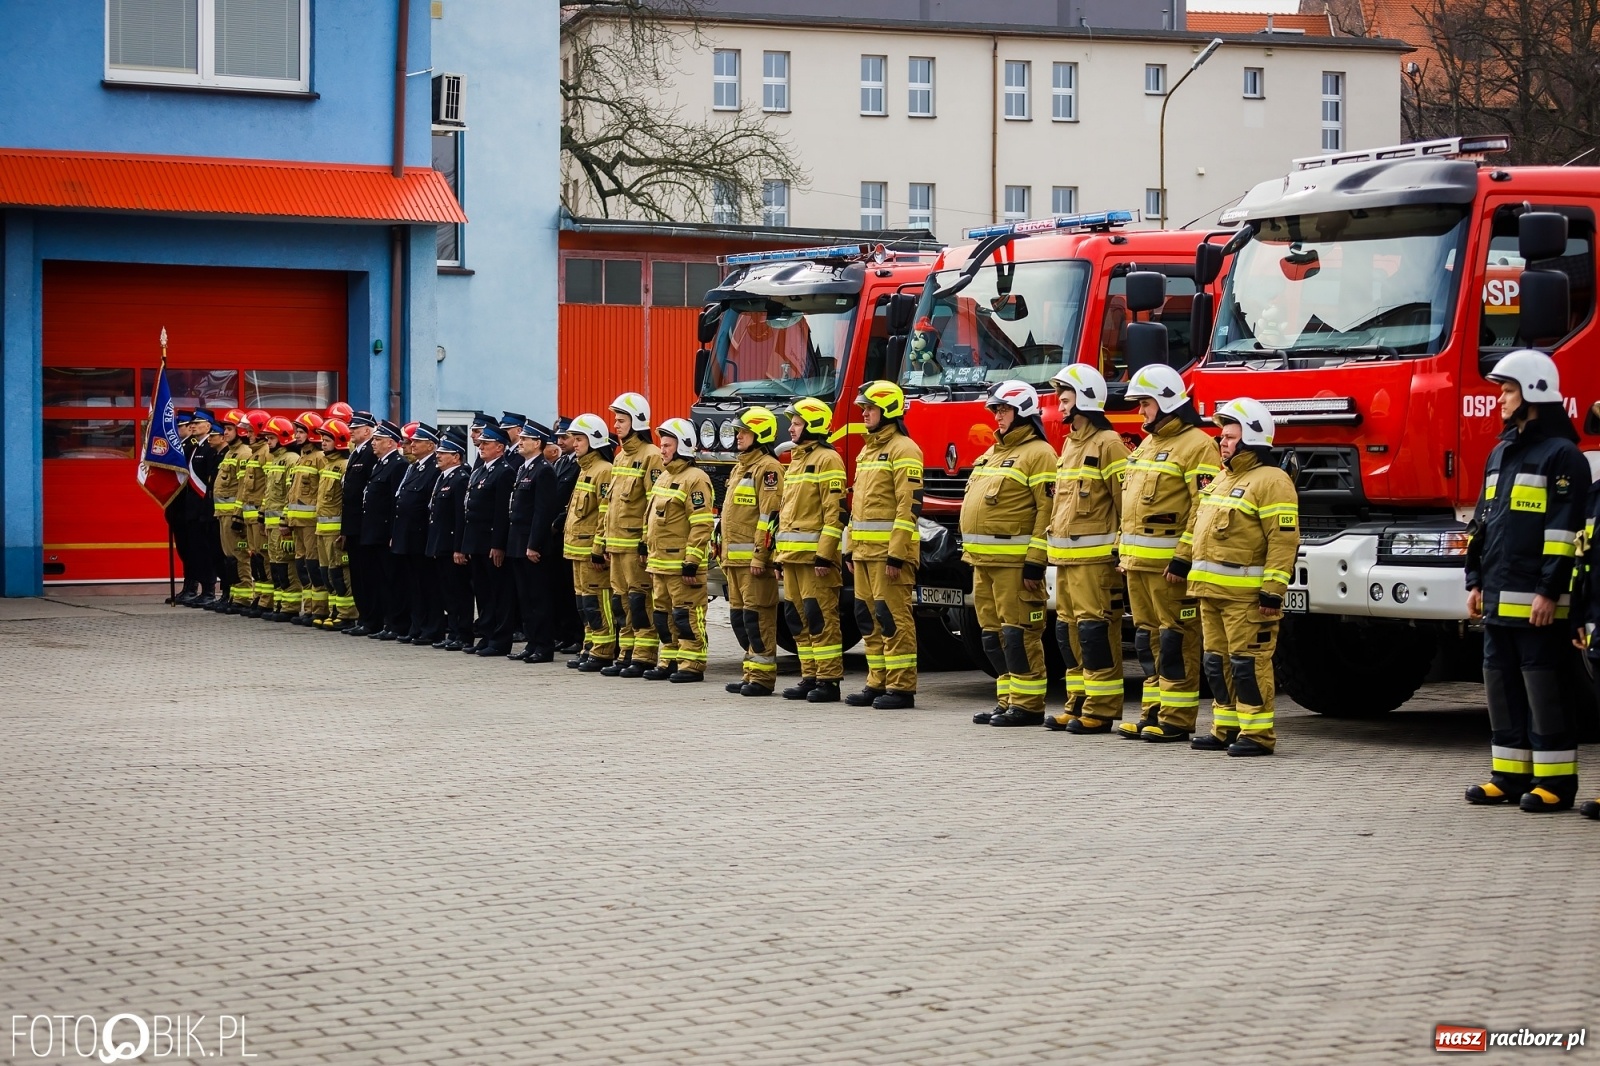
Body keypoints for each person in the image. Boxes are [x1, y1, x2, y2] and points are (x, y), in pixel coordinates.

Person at [1464, 350, 1590, 810]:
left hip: (1538, 604)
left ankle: (1555, 784)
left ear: (1534, 392)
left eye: (1507, 390)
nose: (1499, 398)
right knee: (1500, 686)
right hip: (1497, 599)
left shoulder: (1563, 457)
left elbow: (1563, 534)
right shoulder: (1501, 453)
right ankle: (1509, 776)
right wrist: (1474, 581)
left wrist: (1548, 591)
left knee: (1544, 690)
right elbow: (1483, 524)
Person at [1186, 399, 1300, 757]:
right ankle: (1225, 728)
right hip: (1211, 592)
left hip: (1246, 598)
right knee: (1216, 663)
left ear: (1252, 438)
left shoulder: (1273, 481)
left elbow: (1283, 541)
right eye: (1222, 436)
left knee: (1248, 664)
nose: (1222, 442)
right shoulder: (1223, 478)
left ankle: (1257, 734)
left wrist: (1272, 592)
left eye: (1230, 437)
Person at [1117, 364, 1220, 740]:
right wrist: (1122, 552)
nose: (1140, 411)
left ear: (1166, 401)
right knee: (1147, 640)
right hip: (1138, 565)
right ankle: (1153, 713)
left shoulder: (1198, 446)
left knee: (1177, 639)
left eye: (1145, 403)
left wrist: (1183, 556)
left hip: (1169, 568)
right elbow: (1130, 505)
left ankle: (1176, 718)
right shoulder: (1147, 444)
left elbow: (1203, 507)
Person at [962, 381, 1058, 726]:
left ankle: (1028, 704)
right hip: (983, 563)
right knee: (993, 636)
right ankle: (1007, 700)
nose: (997, 416)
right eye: (996, 410)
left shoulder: (1040, 454)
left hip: (1015, 565)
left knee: (1019, 635)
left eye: (1003, 409)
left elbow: (1047, 511)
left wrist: (1035, 561)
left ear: (1023, 411)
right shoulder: (993, 452)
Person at [1043, 363, 1132, 734]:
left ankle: (1101, 708)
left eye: (1066, 400)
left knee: (1096, 633)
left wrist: (1122, 549)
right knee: (1068, 633)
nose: (1061, 406)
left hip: (1095, 563)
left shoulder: (1109, 444)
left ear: (1085, 399)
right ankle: (1077, 703)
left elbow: (1125, 502)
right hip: (1065, 561)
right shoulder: (1070, 444)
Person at [843, 381, 925, 710]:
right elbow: (858, 507)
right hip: (864, 553)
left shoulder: (905, 449)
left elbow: (909, 506)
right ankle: (877, 681)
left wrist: (897, 554)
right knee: (867, 618)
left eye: (870, 408)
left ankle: (901, 687)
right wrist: (849, 547)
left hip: (889, 556)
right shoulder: (867, 451)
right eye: (863, 408)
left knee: (893, 618)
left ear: (888, 410)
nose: (864, 414)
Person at [774, 396, 848, 703]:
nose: (791, 428)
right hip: (792, 558)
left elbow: (835, 512)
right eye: (792, 423)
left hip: (815, 560)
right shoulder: (796, 460)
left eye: (796, 423)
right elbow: (786, 513)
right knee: (796, 618)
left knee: (820, 618)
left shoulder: (828, 460)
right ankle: (810, 676)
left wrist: (825, 554)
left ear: (813, 425)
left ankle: (828, 680)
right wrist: (778, 557)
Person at [643, 418, 716, 682]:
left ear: (683, 446)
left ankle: (692, 664)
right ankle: (669, 660)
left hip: (682, 566)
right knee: (663, 617)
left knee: (686, 616)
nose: (661, 450)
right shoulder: (664, 477)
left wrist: (692, 561)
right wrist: (644, 545)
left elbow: (701, 524)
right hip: (660, 563)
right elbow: (650, 517)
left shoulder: (696, 479)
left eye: (667, 445)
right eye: (661, 445)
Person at [720, 406, 785, 697]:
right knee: (740, 620)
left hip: (753, 562)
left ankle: (762, 678)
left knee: (757, 620)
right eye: (738, 432)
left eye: (744, 432)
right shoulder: (740, 467)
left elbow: (770, 517)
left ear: (760, 434)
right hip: (734, 562)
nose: (738, 436)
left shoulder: (768, 468)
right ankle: (750, 673)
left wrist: (761, 555)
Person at [599, 392, 665, 678]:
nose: (616, 425)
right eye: (615, 420)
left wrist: (645, 543)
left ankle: (644, 655)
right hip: (615, 545)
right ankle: (626, 652)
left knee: (640, 602)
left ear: (637, 421)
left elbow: (654, 502)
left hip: (634, 545)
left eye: (621, 420)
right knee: (620, 602)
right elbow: (610, 504)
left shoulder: (651, 456)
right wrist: (603, 540)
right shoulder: (620, 457)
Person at [562, 414, 617, 672]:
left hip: (590, 552)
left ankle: (603, 650)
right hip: (577, 550)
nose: (574, 444)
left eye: (579, 439)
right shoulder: (585, 468)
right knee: (583, 604)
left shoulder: (603, 470)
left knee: (597, 602)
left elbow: (605, 512)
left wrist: (598, 547)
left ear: (594, 440)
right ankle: (590, 646)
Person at [506, 418, 560, 663]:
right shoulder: (524, 468)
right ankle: (531, 642)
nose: (520, 442)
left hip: (532, 544)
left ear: (537, 443)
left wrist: (534, 544)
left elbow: (543, 511)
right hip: (518, 542)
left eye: (525, 439)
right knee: (524, 598)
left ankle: (543, 646)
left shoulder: (544, 470)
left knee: (538, 598)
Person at [461, 420, 517, 657]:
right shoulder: (480, 470)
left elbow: (502, 513)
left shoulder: (504, 472)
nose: (481, 446)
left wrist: (498, 544)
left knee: (499, 593)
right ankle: (486, 634)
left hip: (491, 543)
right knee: (483, 593)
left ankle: (500, 640)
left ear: (500, 447)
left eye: (487, 443)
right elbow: (469, 509)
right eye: (481, 443)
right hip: (476, 542)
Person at [392, 422, 442, 645]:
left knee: (428, 585)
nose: (412, 445)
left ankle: (431, 629)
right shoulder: (414, 467)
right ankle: (417, 626)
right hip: (408, 535)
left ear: (431, 445)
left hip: (422, 535)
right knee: (414, 585)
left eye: (417, 442)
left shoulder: (434, 468)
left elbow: (429, 505)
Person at [359, 420, 407, 640]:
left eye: (378, 439)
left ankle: (395, 624)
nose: (373, 443)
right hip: (373, 532)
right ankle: (384, 622)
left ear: (390, 443)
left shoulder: (398, 465)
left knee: (392, 581)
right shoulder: (380, 464)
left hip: (385, 533)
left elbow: (395, 503)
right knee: (378, 580)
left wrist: (392, 533)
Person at [428, 432, 474, 650]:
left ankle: (463, 634)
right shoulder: (444, 477)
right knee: (448, 592)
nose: (438, 456)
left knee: (459, 593)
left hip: (452, 546)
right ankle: (454, 632)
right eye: (438, 452)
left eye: (443, 453)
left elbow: (460, 517)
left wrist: (459, 548)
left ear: (456, 457)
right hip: (440, 544)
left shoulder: (460, 478)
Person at [313, 419, 357, 631]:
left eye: (327, 439)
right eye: (322, 439)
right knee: (327, 573)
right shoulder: (326, 464)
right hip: (322, 530)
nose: (323, 442)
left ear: (339, 441)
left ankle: (347, 614)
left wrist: (344, 530)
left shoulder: (344, 466)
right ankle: (334, 610)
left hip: (336, 532)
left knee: (340, 573)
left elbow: (348, 502)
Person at [285, 412, 327, 626]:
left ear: (312, 434)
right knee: (302, 566)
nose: (297, 435)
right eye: (297, 431)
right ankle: (309, 608)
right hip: (297, 523)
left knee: (313, 566)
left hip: (311, 523)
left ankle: (319, 610)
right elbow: (292, 492)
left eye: (301, 432)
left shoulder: (320, 458)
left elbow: (322, 492)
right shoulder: (301, 457)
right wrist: (286, 518)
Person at [258, 416, 301, 620]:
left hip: (282, 525)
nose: (268, 442)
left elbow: (290, 494)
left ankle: (290, 607)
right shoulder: (275, 460)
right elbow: (269, 494)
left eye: (271, 438)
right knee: (275, 564)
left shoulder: (291, 459)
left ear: (282, 438)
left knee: (286, 565)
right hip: (271, 524)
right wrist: (263, 518)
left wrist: (285, 521)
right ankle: (279, 603)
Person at [211, 409, 254, 612]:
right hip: (223, 515)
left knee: (239, 556)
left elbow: (243, 488)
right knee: (230, 557)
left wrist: (238, 515)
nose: (225, 433)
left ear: (240, 431)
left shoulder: (244, 453)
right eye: (225, 429)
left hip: (234, 516)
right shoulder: (230, 452)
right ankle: (235, 595)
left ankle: (244, 597)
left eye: (229, 429)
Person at [341, 411, 379, 632]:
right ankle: (364, 617)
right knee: (357, 573)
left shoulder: (371, 453)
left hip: (364, 525)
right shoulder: (356, 453)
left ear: (367, 430)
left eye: (355, 428)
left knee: (367, 575)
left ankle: (371, 619)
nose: (351, 431)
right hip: (353, 525)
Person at [549, 417, 585, 654]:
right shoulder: (562, 462)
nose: (560, 441)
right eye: (558, 438)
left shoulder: (581, 465)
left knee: (574, 590)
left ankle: (578, 636)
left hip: (569, 531)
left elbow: (571, 500)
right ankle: (565, 633)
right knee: (560, 588)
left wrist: (559, 521)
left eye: (565, 437)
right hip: (557, 534)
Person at [236, 409, 273, 617]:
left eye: (250, 431)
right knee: (255, 558)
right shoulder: (254, 453)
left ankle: (267, 600)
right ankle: (259, 595)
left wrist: (263, 514)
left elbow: (269, 486)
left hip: (260, 517)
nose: (247, 434)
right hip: (250, 517)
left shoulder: (266, 453)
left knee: (264, 558)